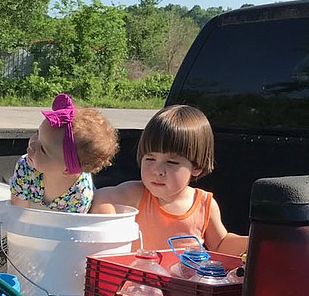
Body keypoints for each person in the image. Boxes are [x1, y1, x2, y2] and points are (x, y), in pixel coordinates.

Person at [90, 104, 248, 254]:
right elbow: (102, 196)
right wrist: (111, 226)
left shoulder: (204, 204)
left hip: (182, 281)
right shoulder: (136, 194)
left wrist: (256, 241)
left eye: (171, 162)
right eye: (150, 159)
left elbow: (220, 245)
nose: (158, 170)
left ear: (197, 166)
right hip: (139, 281)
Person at [9, 93, 119, 211]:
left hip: (63, 223)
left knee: (103, 211)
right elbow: (17, 212)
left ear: (67, 169)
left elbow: (68, 227)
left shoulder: (80, 194)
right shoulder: (25, 167)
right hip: (36, 217)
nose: (32, 144)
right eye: (37, 133)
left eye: (42, 149)